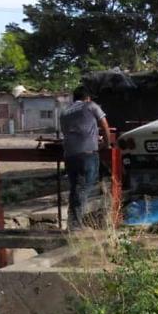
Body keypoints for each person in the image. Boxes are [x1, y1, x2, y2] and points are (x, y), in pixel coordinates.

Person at [59, 86, 111, 230]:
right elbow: (104, 125)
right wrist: (106, 144)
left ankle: (73, 221)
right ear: (87, 97)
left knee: (76, 187)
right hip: (87, 153)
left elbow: (66, 132)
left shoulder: (64, 112)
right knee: (83, 187)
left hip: (69, 154)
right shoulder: (91, 106)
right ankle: (75, 224)